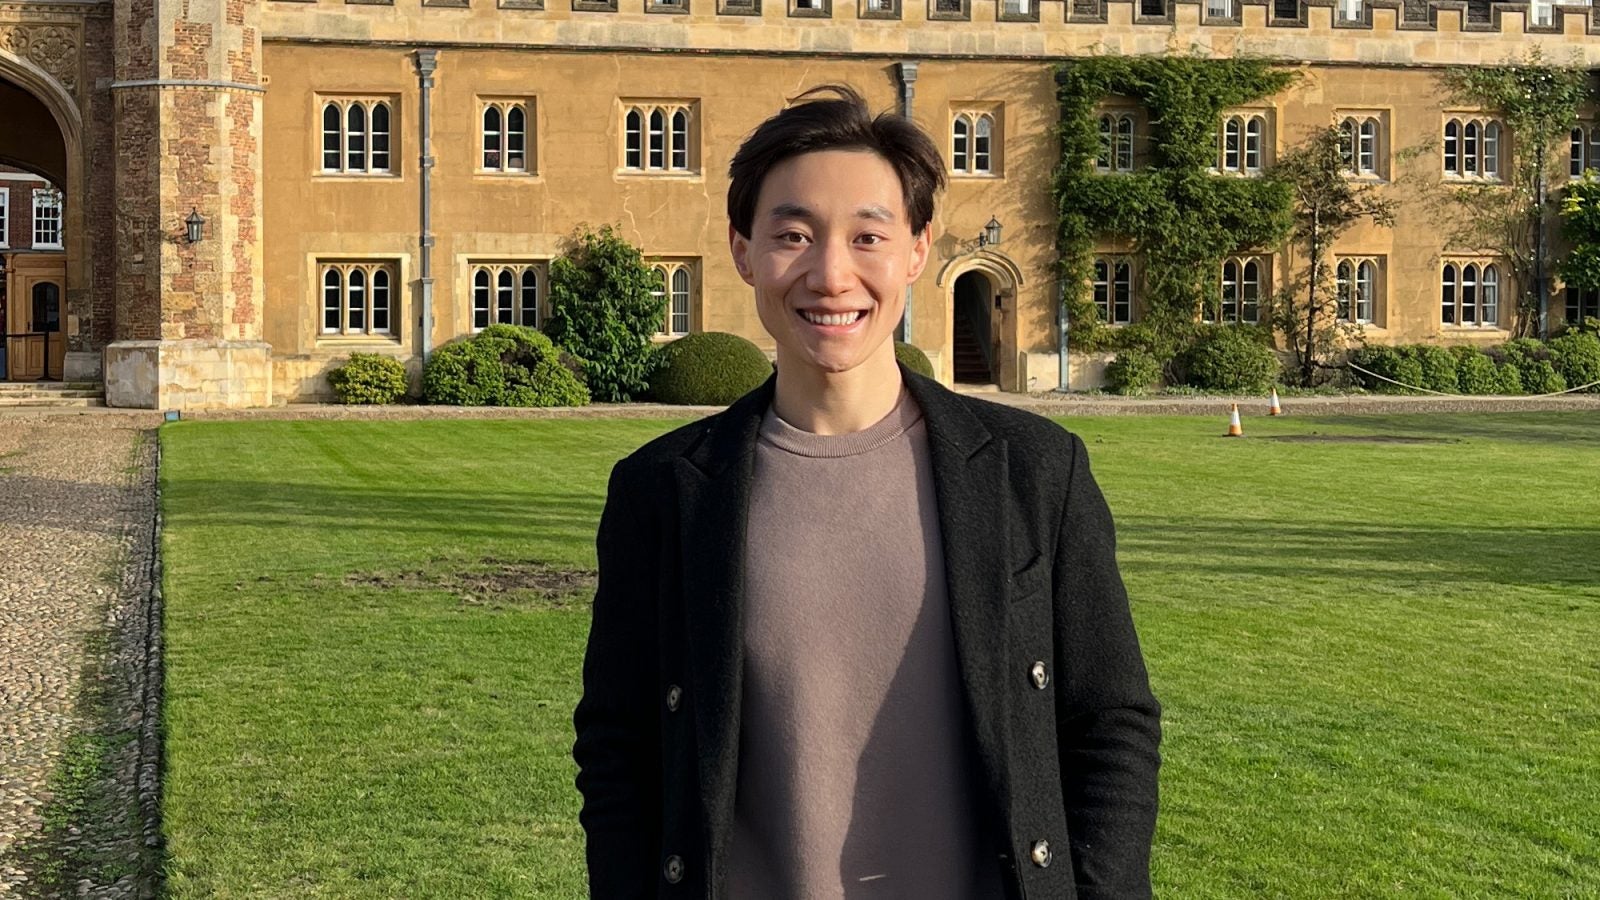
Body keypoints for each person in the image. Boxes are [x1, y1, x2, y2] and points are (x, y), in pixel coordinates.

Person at [573, 84, 1161, 900]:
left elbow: (1109, 724)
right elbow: (620, 746)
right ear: (744, 251)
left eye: (867, 236)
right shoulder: (662, 492)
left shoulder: (1034, 473)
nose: (830, 274)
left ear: (917, 251)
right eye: (792, 235)